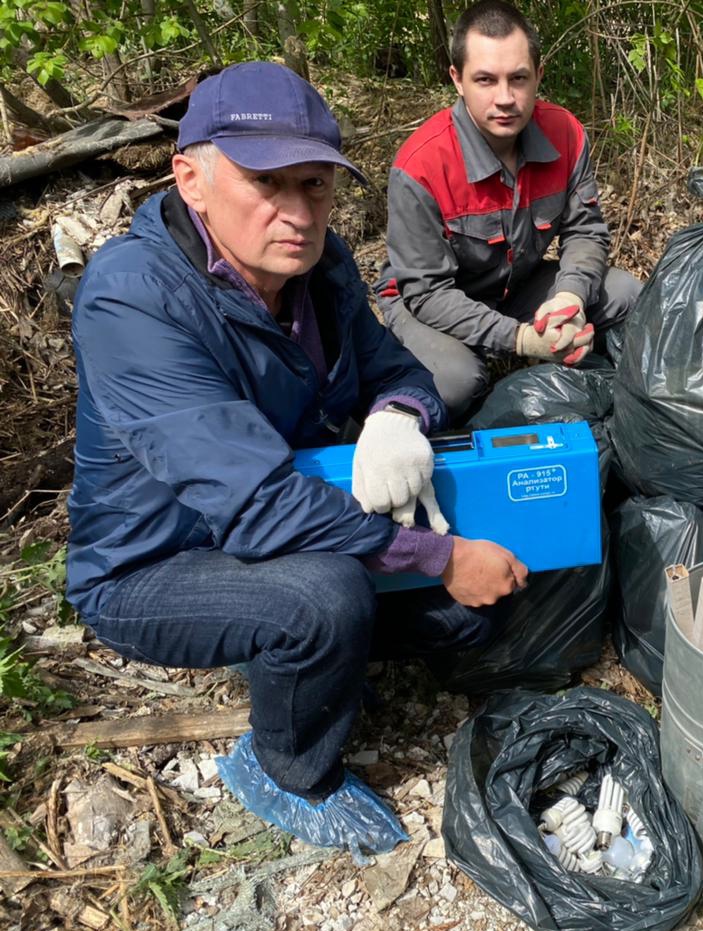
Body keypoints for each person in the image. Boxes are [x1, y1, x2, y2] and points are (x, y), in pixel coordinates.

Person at [66, 62, 528, 859]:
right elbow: (253, 504)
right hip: (156, 562)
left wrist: (397, 417)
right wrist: (442, 553)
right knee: (325, 598)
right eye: (266, 181)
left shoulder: (318, 267)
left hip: (287, 513)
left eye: (315, 185)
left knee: (462, 617)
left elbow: (398, 370)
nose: (296, 211)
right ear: (192, 177)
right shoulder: (133, 298)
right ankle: (283, 768)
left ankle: (302, 660)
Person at [375, 0, 641, 418]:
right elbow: (426, 293)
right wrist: (520, 340)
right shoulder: (421, 166)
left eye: (518, 79)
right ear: (457, 80)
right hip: (430, 301)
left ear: (538, 76)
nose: (505, 99)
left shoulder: (565, 134)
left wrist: (569, 298)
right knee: (454, 382)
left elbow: (586, 232)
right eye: (485, 80)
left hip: (517, 284)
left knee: (627, 294)